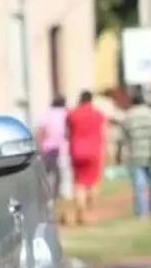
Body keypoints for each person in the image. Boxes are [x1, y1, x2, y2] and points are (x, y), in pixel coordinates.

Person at [119, 90, 151, 219]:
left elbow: (123, 138)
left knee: (139, 186)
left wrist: (121, 155)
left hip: (135, 155)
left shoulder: (128, 115)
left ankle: (141, 213)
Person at [66, 90, 106, 225]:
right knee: (93, 182)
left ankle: (80, 212)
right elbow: (103, 131)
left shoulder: (72, 113)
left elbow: (67, 131)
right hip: (94, 151)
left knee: (79, 183)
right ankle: (90, 211)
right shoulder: (98, 114)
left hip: (77, 150)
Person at [35, 95, 73, 223]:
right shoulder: (67, 113)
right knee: (64, 179)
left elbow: (40, 132)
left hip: (48, 150)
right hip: (63, 150)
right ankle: (65, 208)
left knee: (48, 179)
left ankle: (49, 205)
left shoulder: (47, 114)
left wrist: (39, 147)